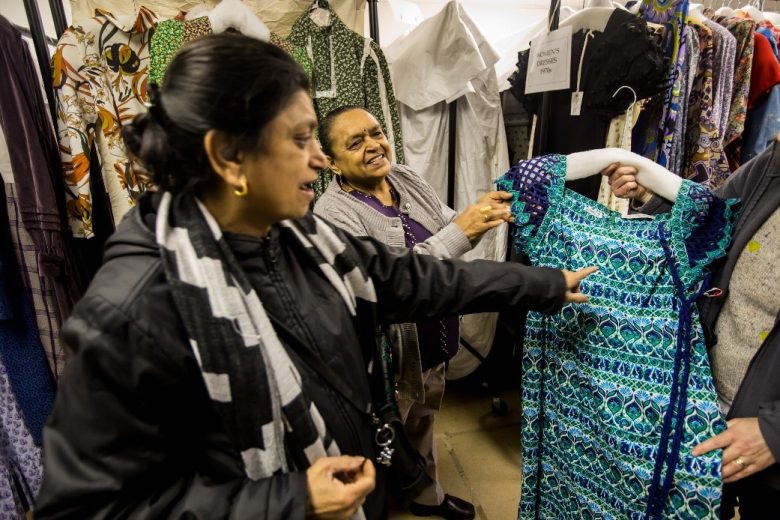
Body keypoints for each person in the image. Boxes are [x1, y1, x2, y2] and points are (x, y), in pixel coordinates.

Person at [34, 34, 595, 520]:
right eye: (301, 140)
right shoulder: (132, 311)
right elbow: (89, 508)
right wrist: (289, 500)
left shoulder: (296, 238)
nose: (320, 160)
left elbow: (412, 279)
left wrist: (542, 284)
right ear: (230, 158)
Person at [313, 106, 511, 519]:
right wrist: (462, 231)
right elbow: (390, 282)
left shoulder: (405, 177)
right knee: (379, 440)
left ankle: (427, 498)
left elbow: (446, 224)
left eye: (376, 132)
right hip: (387, 361)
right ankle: (373, 507)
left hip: (433, 339)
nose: (373, 145)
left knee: (423, 420)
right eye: (356, 142)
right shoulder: (332, 215)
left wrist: (483, 216)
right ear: (331, 163)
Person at [602, 141, 780, 519]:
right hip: (713, 409)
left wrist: (775, 431)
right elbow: (713, 218)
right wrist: (651, 192)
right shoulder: (773, 163)